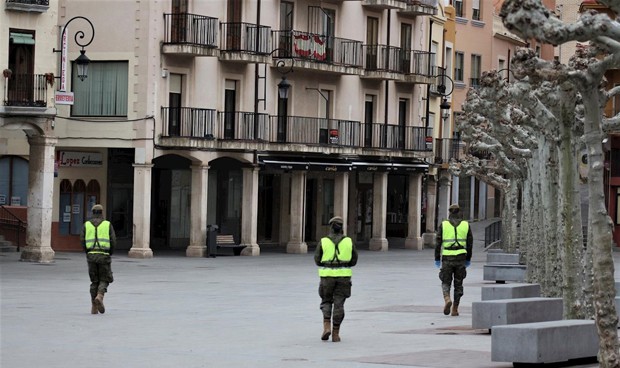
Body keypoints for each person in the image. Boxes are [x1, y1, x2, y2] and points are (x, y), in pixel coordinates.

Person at [314, 216, 358, 342]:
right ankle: (336, 333)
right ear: (341, 228)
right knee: (339, 304)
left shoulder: (323, 241)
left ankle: (326, 326)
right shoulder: (349, 241)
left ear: (331, 227)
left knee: (326, 300)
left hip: (327, 277)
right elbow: (354, 260)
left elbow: (317, 260)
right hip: (344, 277)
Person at [435, 203, 473, 316]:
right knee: (459, 284)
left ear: (450, 212)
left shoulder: (444, 225)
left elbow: (438, 243)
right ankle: (455, 308)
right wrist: (468, 258)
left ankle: (447, 299)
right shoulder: (466, 225)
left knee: (445, 281)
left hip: (447, 257)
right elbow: (470, 244)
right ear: (459, 212)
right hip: (461, 257)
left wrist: (437, 258)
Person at [80, 204, 116, 315]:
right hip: (104, 255)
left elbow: (82, 240)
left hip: (91, 256)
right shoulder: (107, 224)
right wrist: (110, 252)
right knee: (105, 279)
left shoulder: (86, 225)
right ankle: (100, 296)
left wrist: (88, 252)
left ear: (92, 212)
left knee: (94, 281)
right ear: (101, 212)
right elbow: (113, 240)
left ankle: (94, 307)